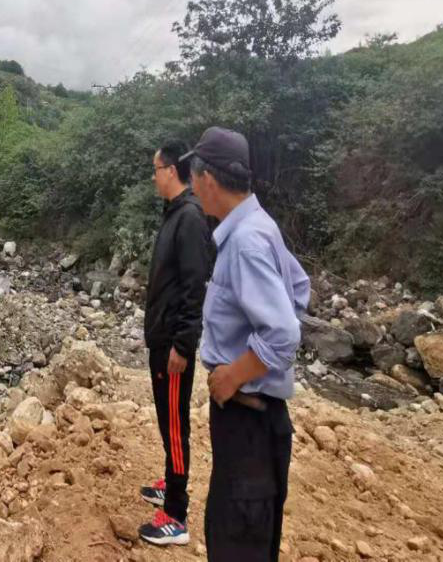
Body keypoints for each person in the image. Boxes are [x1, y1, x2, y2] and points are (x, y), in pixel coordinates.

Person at [181, 126, 308, 562]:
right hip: (256, 418)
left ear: (208, 180)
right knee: (243, 534)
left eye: (194, 177)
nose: (192, 186)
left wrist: (235, 374)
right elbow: (299, 287)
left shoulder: (246, 241)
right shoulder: (258, 226)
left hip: (249, 418)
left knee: (238, 539)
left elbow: (283, 332)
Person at [137, 141, 214, 547]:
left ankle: (176, 514)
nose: (153, 177)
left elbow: (193, 287)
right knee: (167, 420)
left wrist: (183, 346)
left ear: (170, 170)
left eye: (155, 169)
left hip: (172, 345)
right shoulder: (175, 213)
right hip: (162, 338)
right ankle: (171, 482)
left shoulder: (189, 218)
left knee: (175, 422)